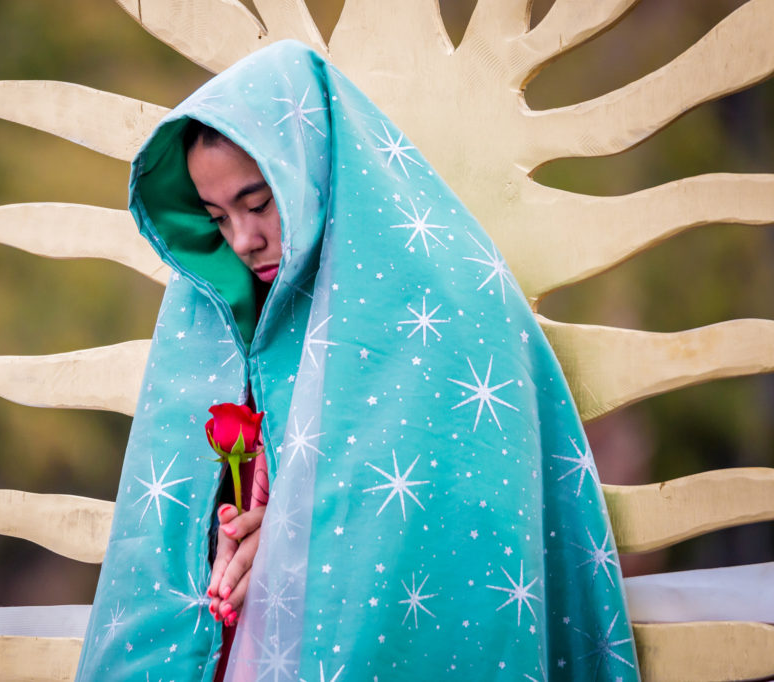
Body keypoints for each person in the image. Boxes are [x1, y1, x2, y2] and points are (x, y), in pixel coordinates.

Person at [76, 40, 639, 681]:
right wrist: (240, 539)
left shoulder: (446, 299)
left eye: (259, 203)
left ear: (311, 168)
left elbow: (445, 504)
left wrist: (291, 544)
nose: (243, 239)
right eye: (217, 218)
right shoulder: (235, 316)